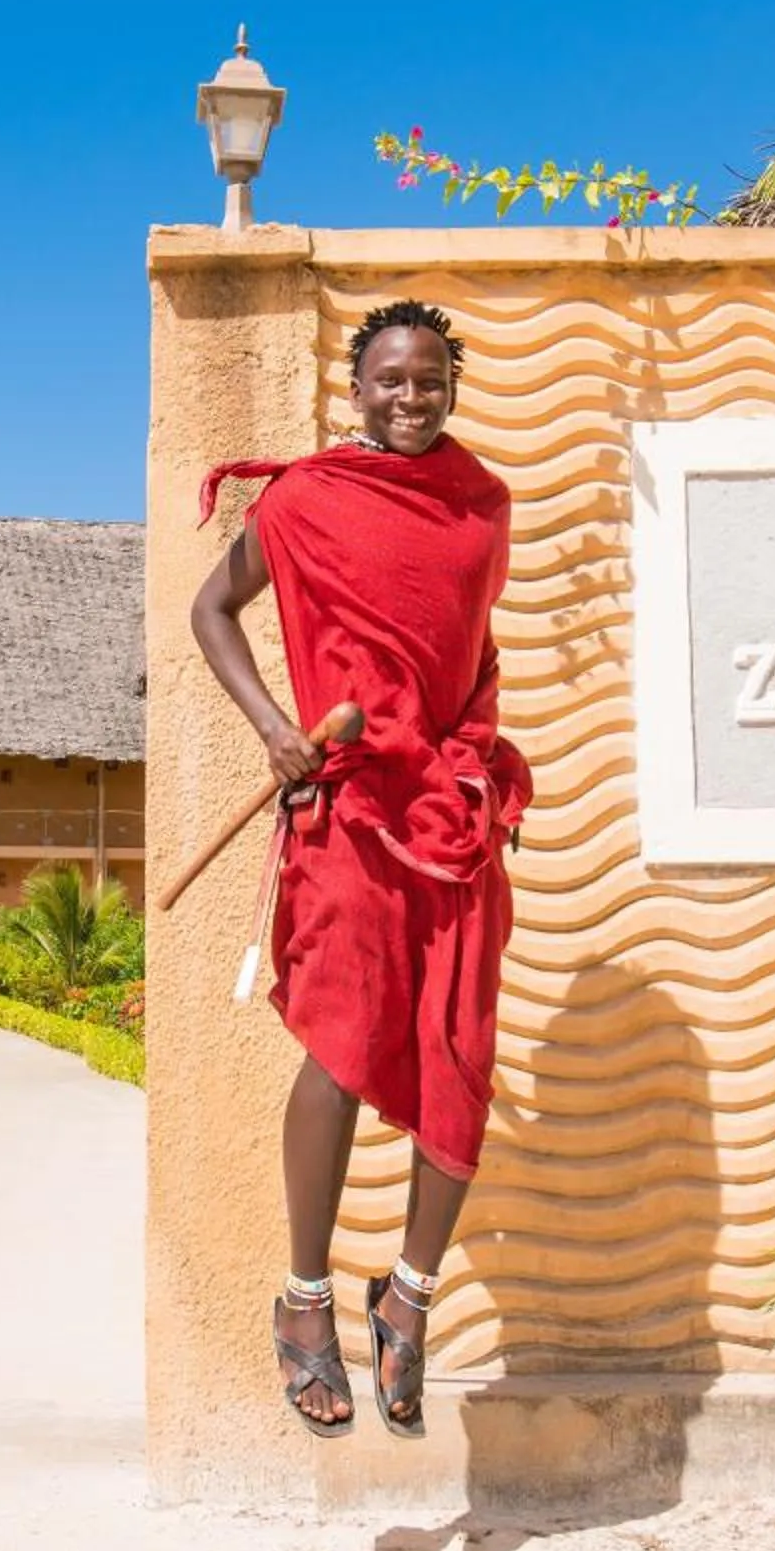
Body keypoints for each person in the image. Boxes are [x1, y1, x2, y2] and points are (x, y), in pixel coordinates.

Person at [188, 298, 532, 1438]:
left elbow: (473, 660)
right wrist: (274, 729)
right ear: (358, 389)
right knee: (339, 1046)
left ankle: (409, 1299)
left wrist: (475, 768)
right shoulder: (305, 500)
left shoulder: (483, 506)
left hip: (449, 816)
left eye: (430, 379)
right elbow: (211, 608)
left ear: (452, 386)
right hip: (348, 814)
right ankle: (304, 1302)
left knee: (459, 1056)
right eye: (391, 379)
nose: (411, 397)